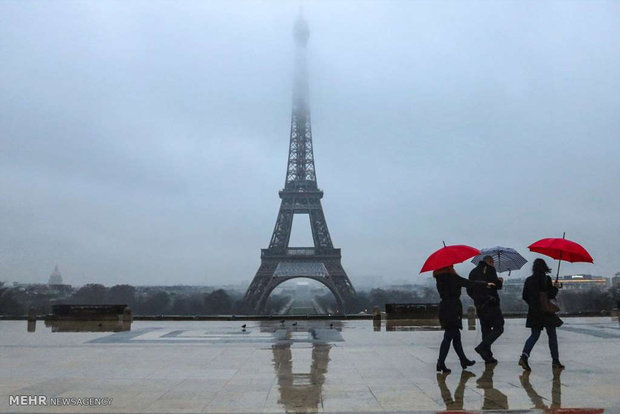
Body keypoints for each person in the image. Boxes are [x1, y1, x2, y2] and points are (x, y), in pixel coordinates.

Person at [434, 265, 495, 373]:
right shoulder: (452, 277)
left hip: (444, 308)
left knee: (456, 336)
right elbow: (470, 283)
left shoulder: (439, 278)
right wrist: (486, 284)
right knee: (449, 336)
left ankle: (463, 360)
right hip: (452, 309)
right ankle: (441, 362)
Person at [518, 258, 564, 371]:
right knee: (552, 336)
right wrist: (555, 287)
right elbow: (550, 295)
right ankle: (555, 361)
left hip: (534, 311)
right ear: (544, 267)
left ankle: (524, 356)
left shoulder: (529, 280)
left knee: (534, 335)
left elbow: (524, 296)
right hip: (546, 312)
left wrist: (533, 304)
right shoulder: (546, 279)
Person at [468, 255, 504, 363]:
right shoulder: (490, 270)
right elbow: (495, 285)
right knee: (499, 327)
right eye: (492, 262)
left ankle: (487, 356)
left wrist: (477, 299)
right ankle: (482, 347)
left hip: (480, 306)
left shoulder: (473, 272)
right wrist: (500, 281)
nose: (493, 264)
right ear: (489, 261)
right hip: (491, 304)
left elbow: (469, 289)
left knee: (486, 329)